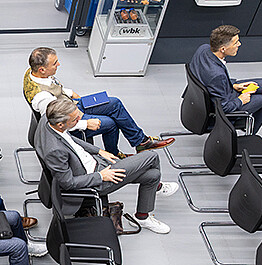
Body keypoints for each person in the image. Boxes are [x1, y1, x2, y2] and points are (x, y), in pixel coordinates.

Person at [36, 99, 177, 234]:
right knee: (151, 156)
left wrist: (98, 151)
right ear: (61, 124)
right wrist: (101, 176)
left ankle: (142, 217)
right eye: (75, 120)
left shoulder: (48, 120)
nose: (79, 119)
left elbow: (70, 140)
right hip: (97, 180)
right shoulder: (54, 150)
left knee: (153, 176)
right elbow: (68, 183)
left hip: (96, 162)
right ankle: (158, 188)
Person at [23, 47, 173, 157]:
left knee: (114, 103)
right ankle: (112, 156)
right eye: (55, 63)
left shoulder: (34, 73)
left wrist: (68, 92)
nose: (59, 65)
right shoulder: (42, 98)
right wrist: (85, 124)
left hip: (71, 104)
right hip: (70, 119)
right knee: (111, 123)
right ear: (42, 69)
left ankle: (141, 142)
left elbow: (52, 84)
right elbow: (55, 122)